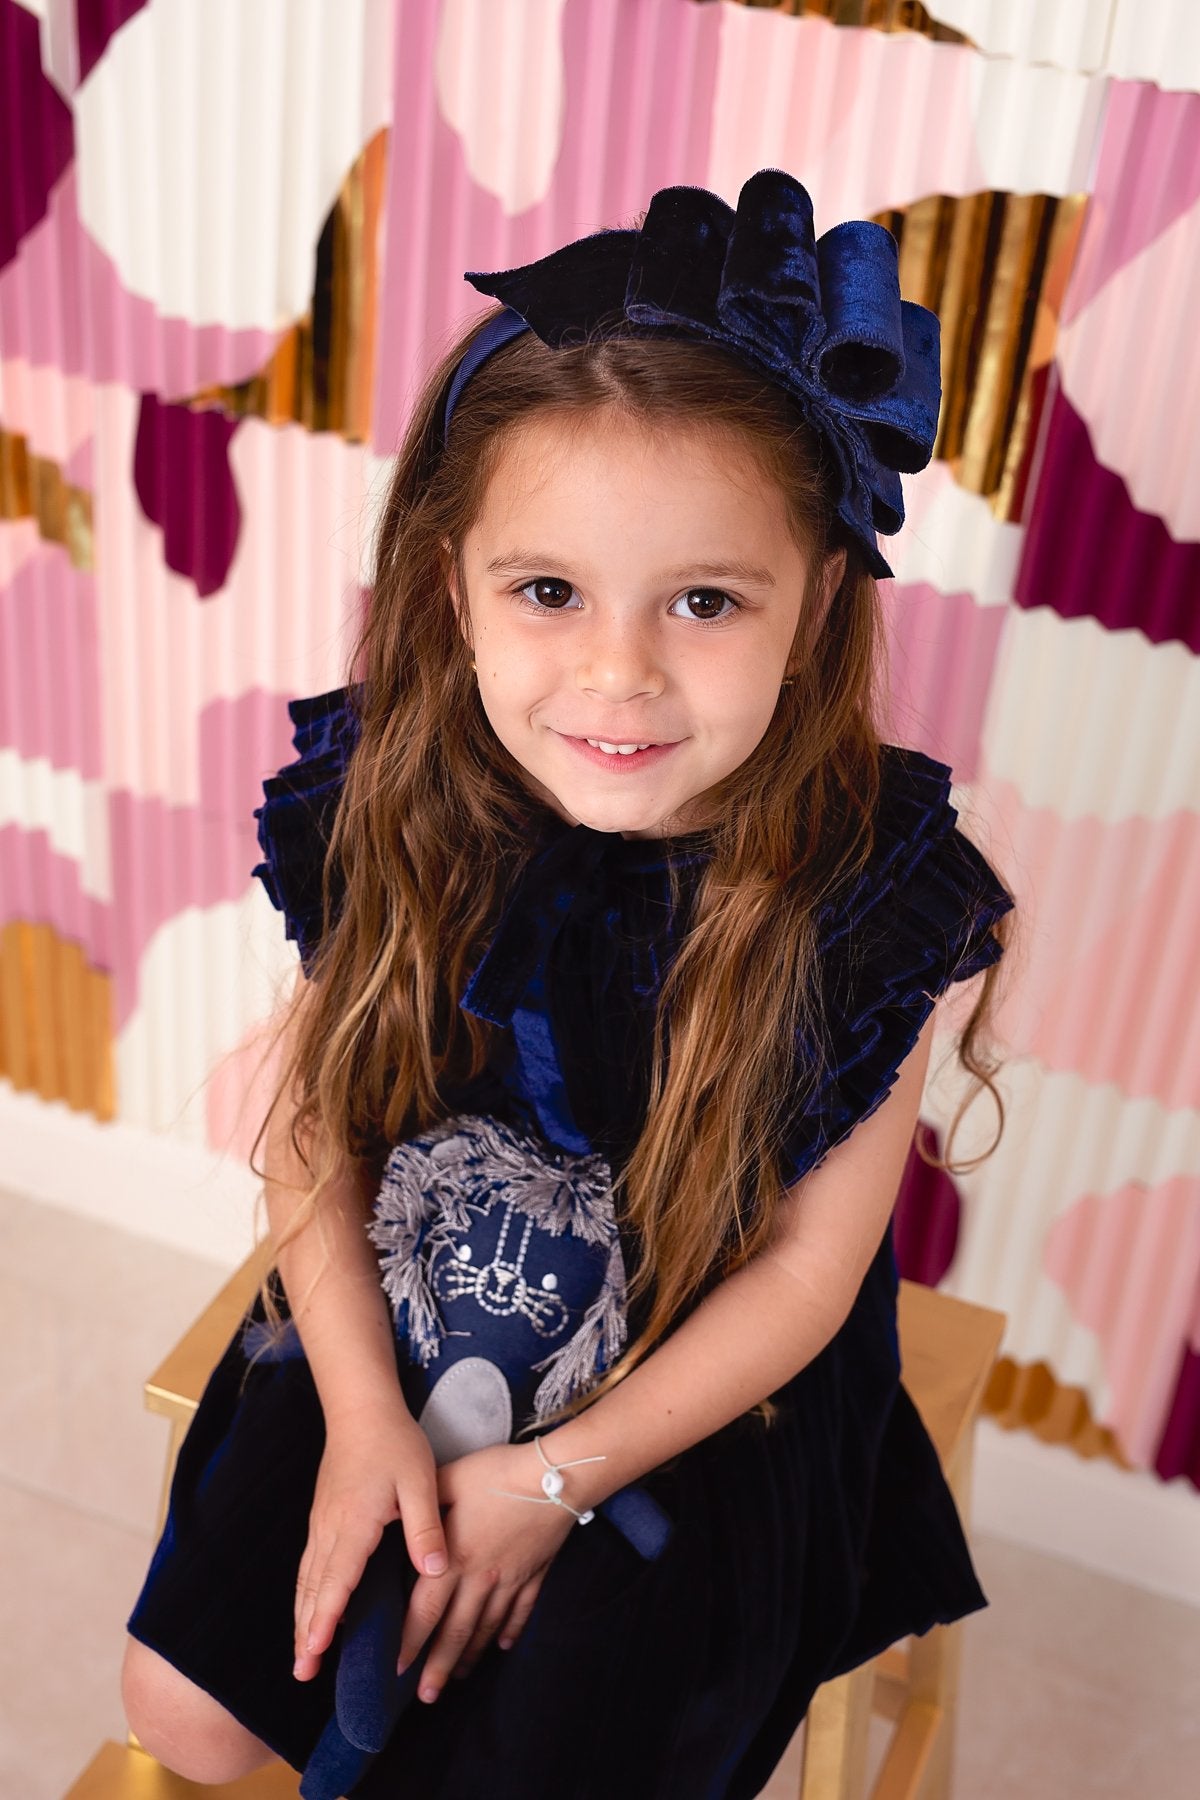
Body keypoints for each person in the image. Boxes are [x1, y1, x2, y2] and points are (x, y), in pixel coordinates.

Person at [122, 169, 1015, 1799]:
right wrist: (364, 1417)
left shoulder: (876, 897)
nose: (620, 673)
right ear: (450, 587)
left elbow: (806, 1279)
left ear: (815, 603)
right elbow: (318, 1130)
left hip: (696, 1385)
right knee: (184, 1711)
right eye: (549, 592)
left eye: (705, 601)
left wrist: (554, 1479)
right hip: (417, 1293)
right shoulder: (401, 795)